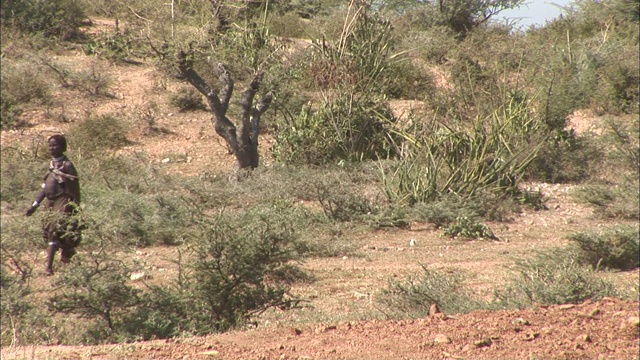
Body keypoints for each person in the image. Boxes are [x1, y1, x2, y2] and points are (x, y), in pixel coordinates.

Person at [25, 134, 81, 275]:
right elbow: (44, 188)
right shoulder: (51, 165)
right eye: (50, 145)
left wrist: (75, 206)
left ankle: (48, 268)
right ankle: (67, 255)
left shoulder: (67, 165)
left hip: (62, 200)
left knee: (54, 231)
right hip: (49, 202)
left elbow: (75, 188)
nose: (52, 148)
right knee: (48, 232)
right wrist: (35, 204)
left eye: (55, 145)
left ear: (63, 147)